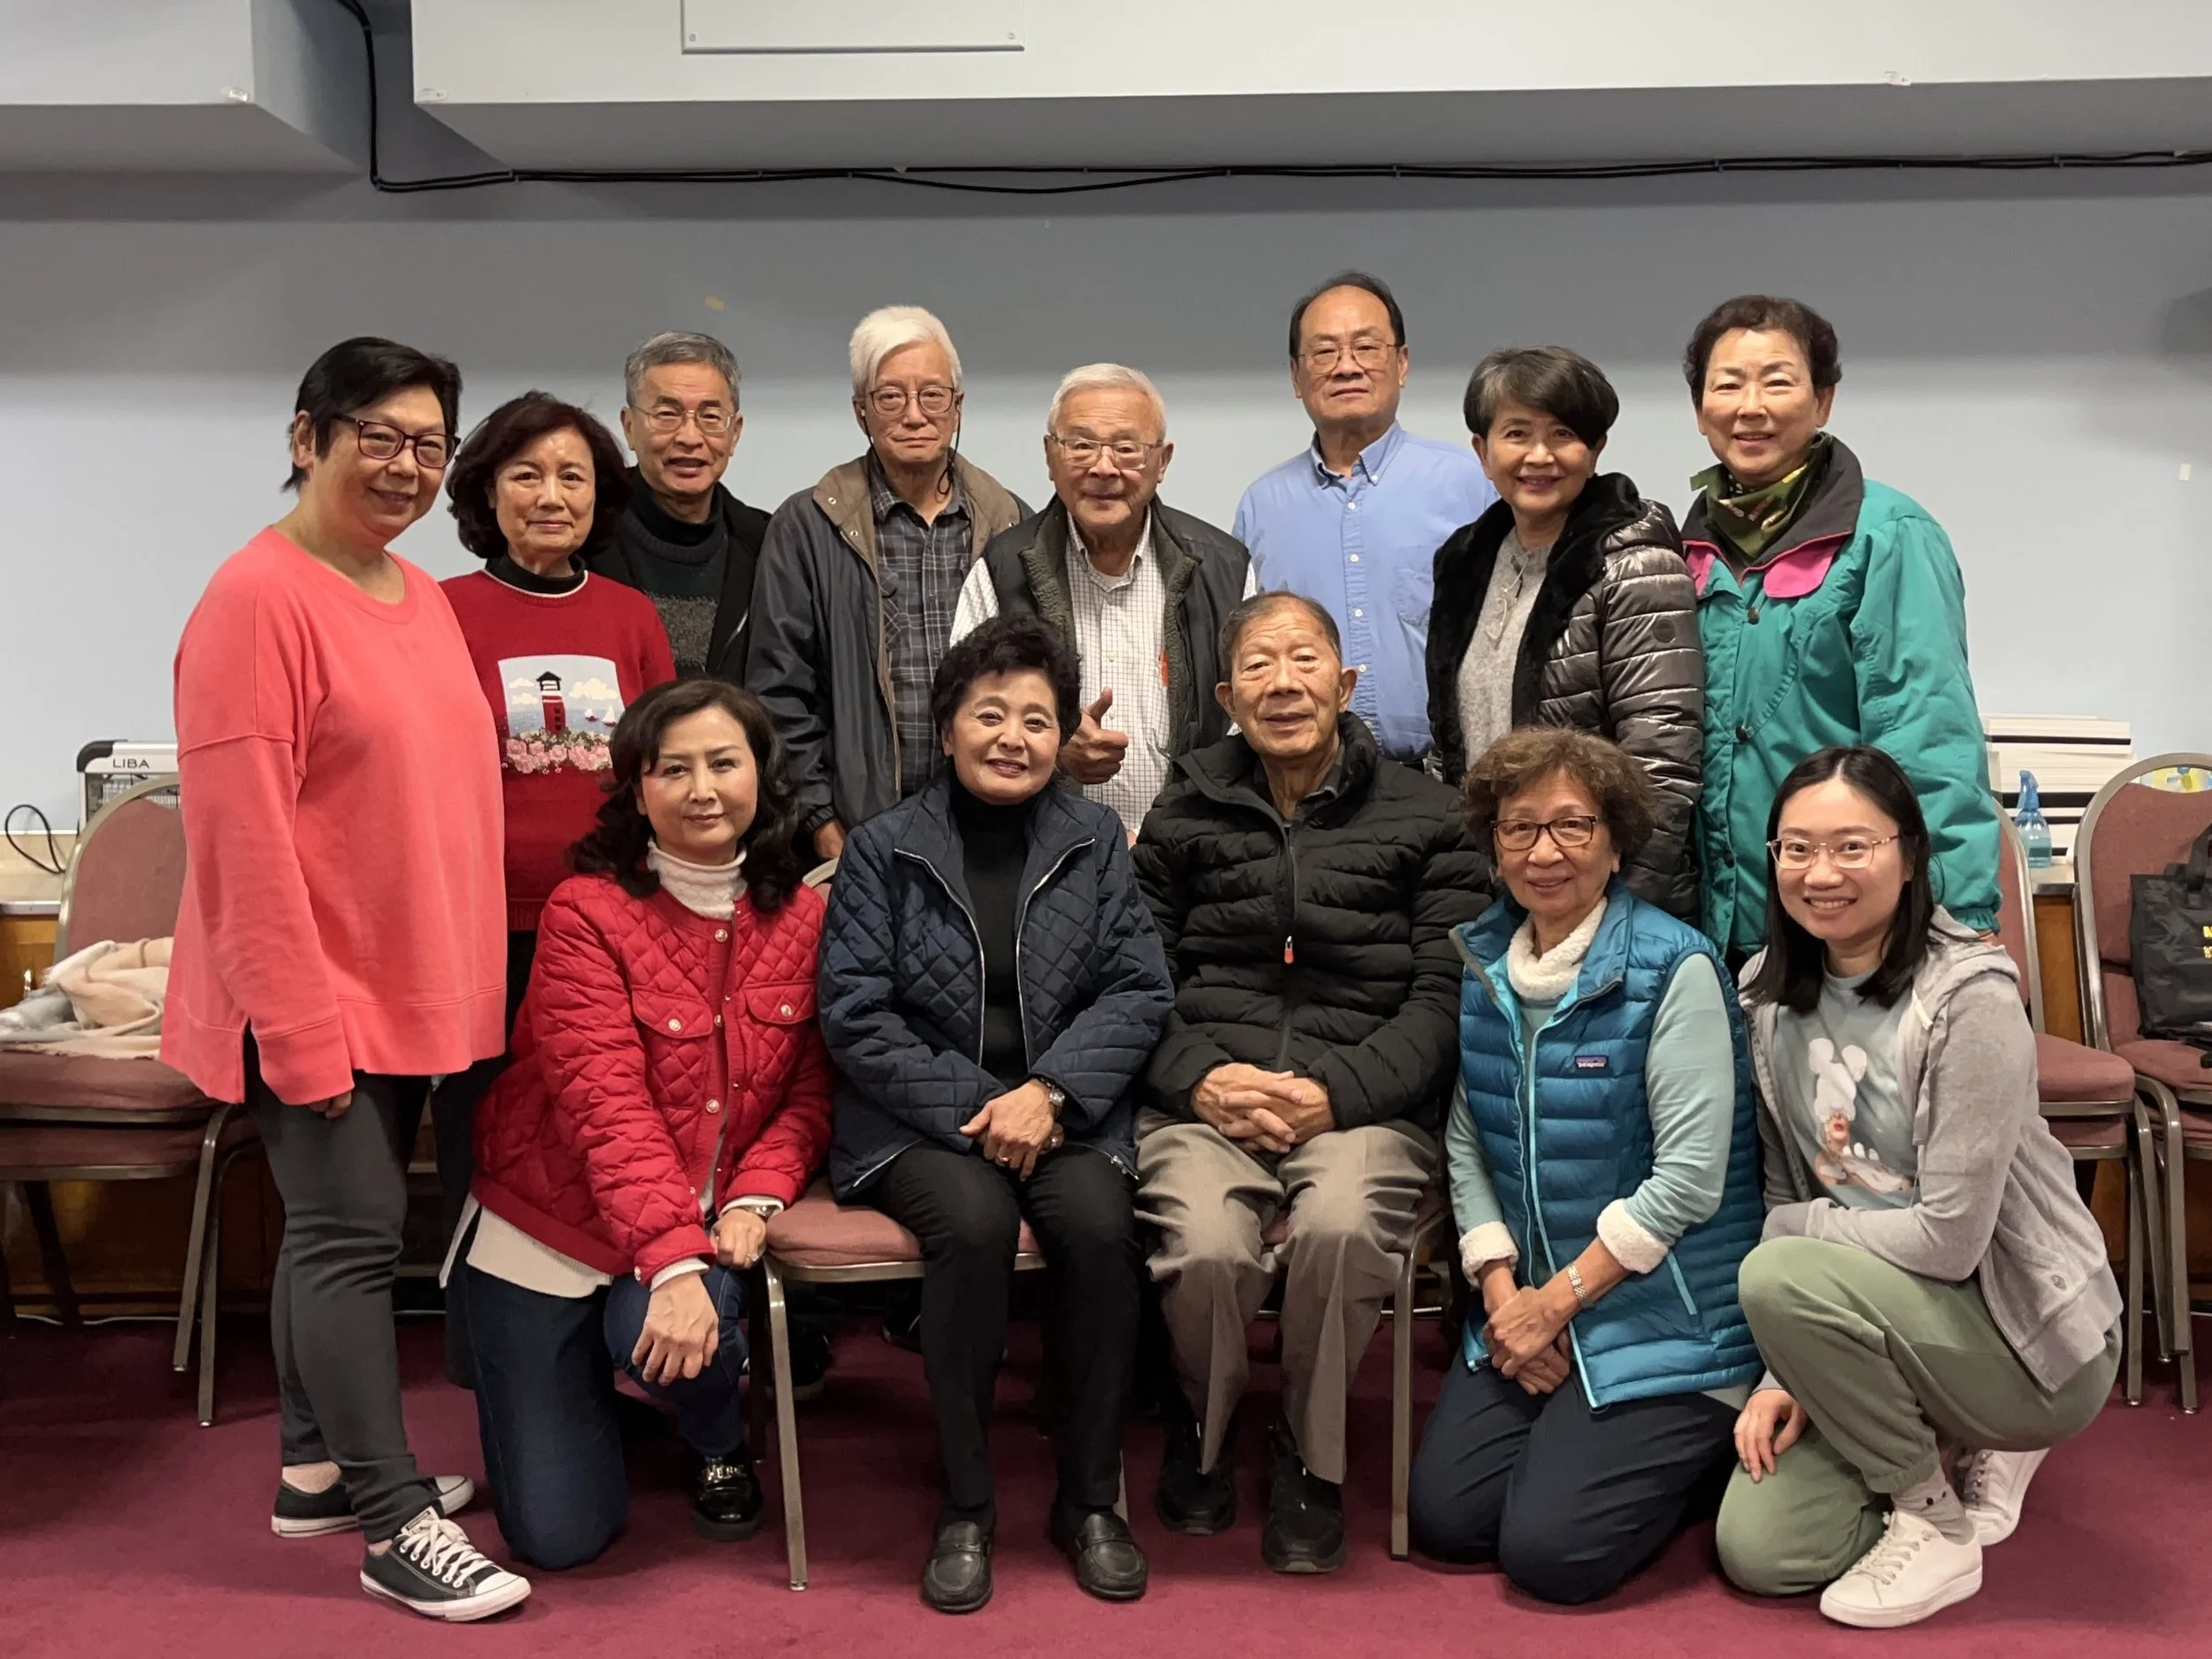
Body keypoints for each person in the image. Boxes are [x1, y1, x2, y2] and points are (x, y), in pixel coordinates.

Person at [162, 337, 527, 1620]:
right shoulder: (255, 601)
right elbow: (244, 847)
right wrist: (299, 1032)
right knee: (349, 1238)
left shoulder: (415, 593)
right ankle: (391, 1521)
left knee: (347, 1236)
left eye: (429, 444)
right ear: (307, 436)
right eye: (378, 435)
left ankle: (315, 1465)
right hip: (314, 995)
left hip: (411, 985)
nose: (405, 466)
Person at [818, 615, 1175, 1613]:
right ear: (945, 728)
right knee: (971, 1229)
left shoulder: (1095, 837)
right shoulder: (883, 849)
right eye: (990, 714)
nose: (1012, 737)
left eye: (1036, 719)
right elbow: (856, 1016)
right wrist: (990, 1106)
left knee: (1103, 1229)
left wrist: (1052, 1094)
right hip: (916, 1122)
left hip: (1065, 1108)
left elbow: (1138, 990)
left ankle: (1089, 1498)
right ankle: (967, 1502)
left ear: (1063, 739)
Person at [1715, 747, 2121, 1628]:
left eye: (1852, 847)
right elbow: (1792, 1177)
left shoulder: (1967, 995)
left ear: (1908, 854)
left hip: (2027, 1333)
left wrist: (1793, 1244)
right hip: (1870, 1317)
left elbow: (1947, 1241)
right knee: (1764, 1553)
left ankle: (1935, 1524)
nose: (1820, 873)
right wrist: (1785, 1366)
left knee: (1774, 1266)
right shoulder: (1763, 996)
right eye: (1795, 848)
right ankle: (1941, 1431)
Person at [1133, 591, 1484, 1575]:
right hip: (1207, 1094)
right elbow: (1132, 985)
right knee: (1201, 1244)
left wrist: (1338, 1092)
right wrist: (1200, 1081)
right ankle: (1204, 1430)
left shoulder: (1427, 813)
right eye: (1258, 664)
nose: (1282, 682)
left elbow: (1446, 992)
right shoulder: (1182, 808)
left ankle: (1309, 1454)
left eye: (1303, 660)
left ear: (1347, 681)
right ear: (1225, 696)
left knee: (1336, 1229)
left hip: (1363, 1099)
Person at [457, 679, 833, 1570]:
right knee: (559, 1536)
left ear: (761, 776)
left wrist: (755, 1197)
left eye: (723, 763)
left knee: (671, 1329)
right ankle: (584, 1380)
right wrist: (668, 1264)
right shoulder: (585, 910)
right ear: (635, 789)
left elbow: (811, 1097)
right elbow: (604, 1104)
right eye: (673, 769)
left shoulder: (810, 918)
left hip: (700, 1223)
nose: (701, 789)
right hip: (551, 1222)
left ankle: (713, 1438)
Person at [1405, 726, 1763, 1603]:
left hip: (1665, 1318)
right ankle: (1583, 1441)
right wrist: (1504, 1302)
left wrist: (1554, 1303)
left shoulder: (1673, 967)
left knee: (1549, 1557)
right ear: (1493, 845)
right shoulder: (1483, 959)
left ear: (1615, 843)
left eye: (1571, 826)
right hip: (1532, 1307)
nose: (1543, 852)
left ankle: (1699, 1454)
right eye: (1518, 828)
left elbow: (1686, 1182)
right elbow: (1466, 1143)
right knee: (1446, 1520)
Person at [432, 392, 676, 1389]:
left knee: (598, 1136)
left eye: (573, 476)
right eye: (527, 474)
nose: (551, 495)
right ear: (490, 490)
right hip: (483, 930)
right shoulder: (440, 610)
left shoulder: (629, 616)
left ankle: (595, 1358)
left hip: (609, 927)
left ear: (599, 496)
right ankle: (487, 1358)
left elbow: (663, 769)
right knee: (485, 1143)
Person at [1682, 295, 1999, 963]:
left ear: (1823, 401)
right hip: (1715, 920)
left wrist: (1954, 914)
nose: (1751, 406)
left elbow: (1928, 730)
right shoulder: (1682, 548)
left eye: (1778, 380)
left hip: (1847, 918)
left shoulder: (1886, 534)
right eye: (1728, 383)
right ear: (1700, 407)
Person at [1425, 348, 1702, 918]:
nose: (1539, 455)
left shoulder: (1633, 562)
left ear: (1595, 449)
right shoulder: (1464, 563)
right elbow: (1451, 739)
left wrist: (1621, 913)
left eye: (1563, 433)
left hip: (1599, 895)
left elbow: (1663, 760)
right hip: (1498, 889)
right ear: (1482, 451)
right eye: (1516, 433)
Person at [749, 305, 1028, 864]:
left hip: (990, 829)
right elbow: (778, 692)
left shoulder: (1011, 523)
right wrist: (822, 822)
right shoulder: (807, 526)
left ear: (957, 407)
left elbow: (1032, 679)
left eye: (932, 395)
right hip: (856, 830)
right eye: (890, 397)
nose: (914, 415)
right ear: (861, 412)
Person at [949, 364, 1255, 839]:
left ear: (1162, 461)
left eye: (1127, 448)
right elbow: (962, 716)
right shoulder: (1002, 568)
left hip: (1190, 855)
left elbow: (1250, 722)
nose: (1104, 467)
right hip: (1037, 849)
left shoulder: (1225, 568)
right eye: (1082, 445)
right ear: (1051, 457)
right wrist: (1050, 747)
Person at [1235, 272, 1494, 764]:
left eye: (1366, 348)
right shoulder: (1261, 506)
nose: (1346, 367)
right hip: (1312, 785)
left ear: (1402, 364)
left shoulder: (1470, 483)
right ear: (1296, 376)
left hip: (1449, 779)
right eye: (1325, 352)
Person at [593, 331, 772, 678]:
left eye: (710, 417)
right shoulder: (581, 537)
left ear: (734, 433)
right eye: (666, 414)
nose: (689, 438)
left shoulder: (769, 548)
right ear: (629, 428)